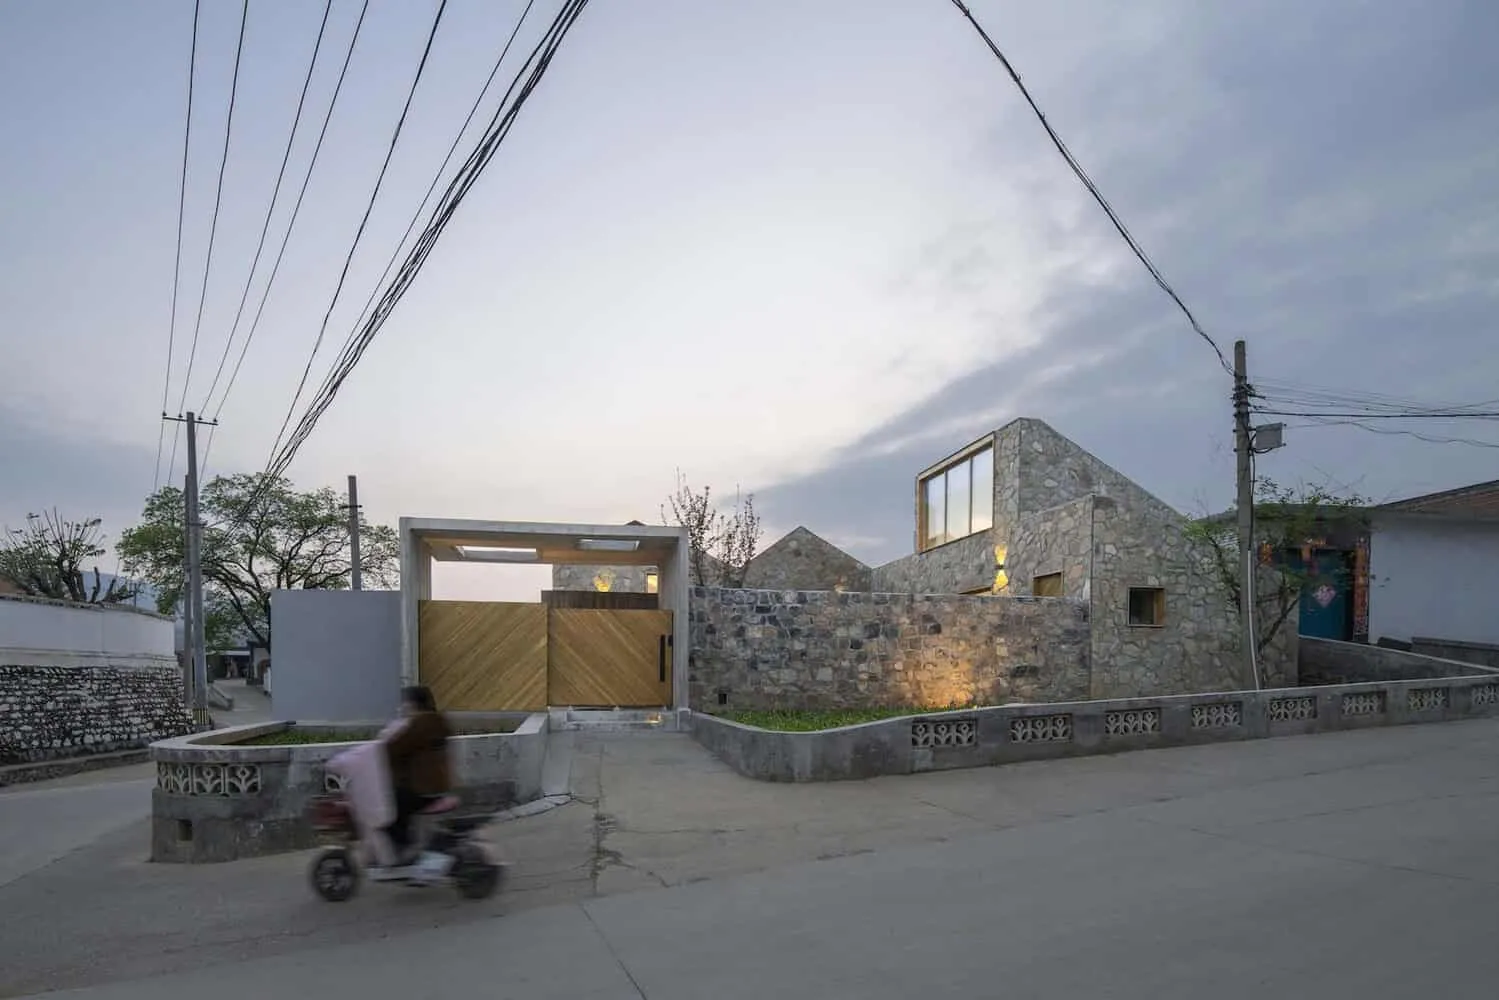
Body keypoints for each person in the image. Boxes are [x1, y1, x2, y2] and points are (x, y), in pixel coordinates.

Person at [380, 685, 454, 871]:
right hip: (438, 785)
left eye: (405, 702)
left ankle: (406, 850)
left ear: (413, 703)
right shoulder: (437, 720)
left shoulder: (420, 724)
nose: (403, 706)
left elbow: (393, 748)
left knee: (389, 809)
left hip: (424, 788)